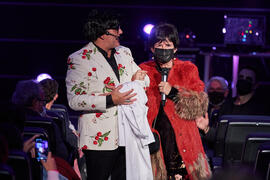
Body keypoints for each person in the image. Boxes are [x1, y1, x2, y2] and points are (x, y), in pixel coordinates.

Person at [65, 10, 148, 180]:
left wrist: (139, 80)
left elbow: (144, 78)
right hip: (99, 137)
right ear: (102, 34)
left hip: (128, 132)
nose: (121, 32)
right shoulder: (79, 59)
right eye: (116, 29)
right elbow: (75, 100)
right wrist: (111, 99)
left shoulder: (124, 52)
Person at [139, 23, 211, 180]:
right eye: (159, 44)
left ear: (175, 49)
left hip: (183, 138)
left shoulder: (187, 69)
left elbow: (199, 104)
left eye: (168, 44)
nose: (163, 48)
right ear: (152, 48)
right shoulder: (143, 70)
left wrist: (173, 92)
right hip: (154, 139)